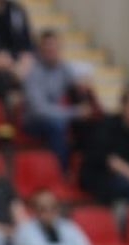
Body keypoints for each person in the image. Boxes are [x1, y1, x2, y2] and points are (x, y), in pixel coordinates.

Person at [20, 28, 89, 168]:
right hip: (33, 120)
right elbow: (39, 110)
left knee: (91, 122)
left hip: (57, 115)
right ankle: (59, 172)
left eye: (54, 47)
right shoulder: (33, 71)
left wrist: (82, 88)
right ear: (40, 50)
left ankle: (86, 170)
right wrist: (74, 112)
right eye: (47, 47)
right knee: (57, 125)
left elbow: (77, 83)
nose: (51, 50)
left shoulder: (64, 68)